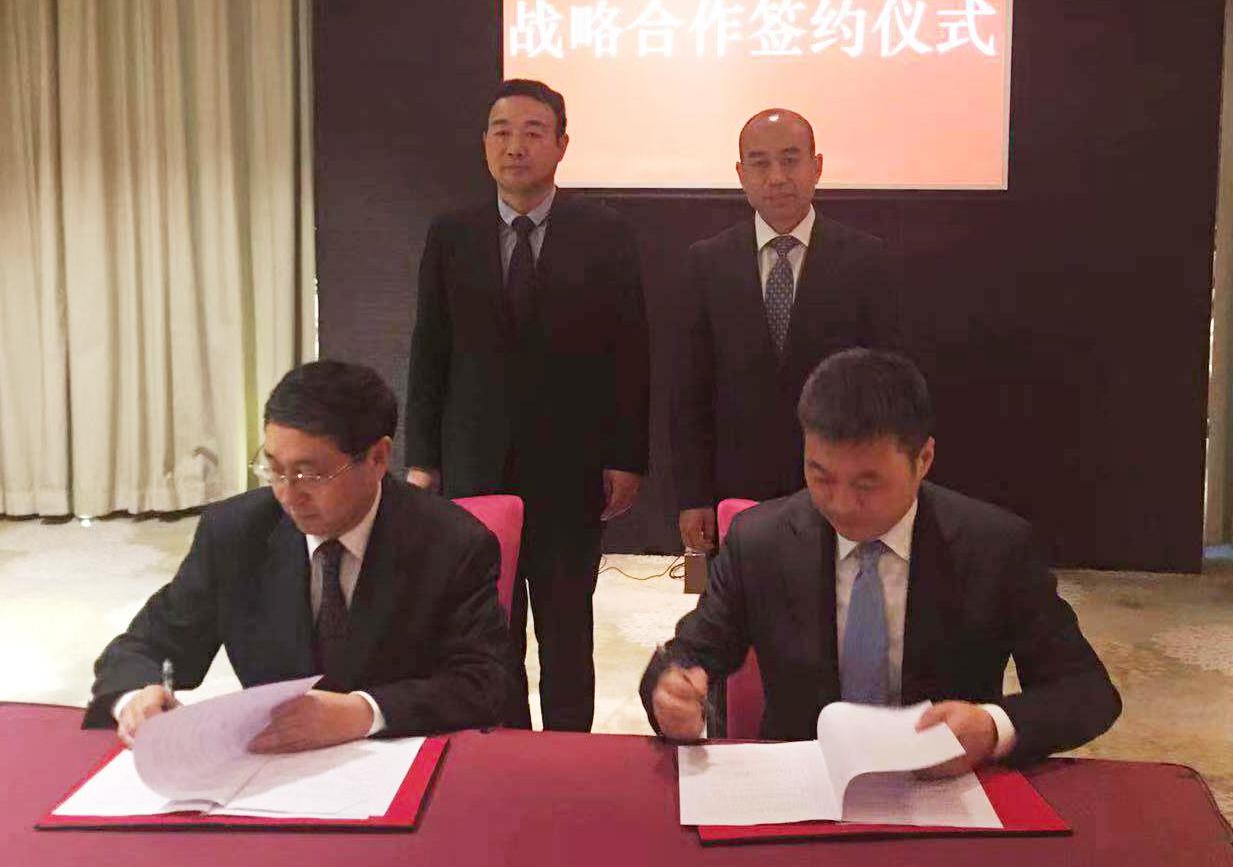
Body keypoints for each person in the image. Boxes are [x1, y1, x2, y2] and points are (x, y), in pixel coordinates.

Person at [643, 349, 1121, 773]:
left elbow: (1087, 691)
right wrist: (671, 692)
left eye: (867, 484)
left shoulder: (995, 547)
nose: (841, 505)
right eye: (821, 476)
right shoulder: (760, 542)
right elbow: (689, 655)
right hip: (802, 789)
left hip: (943, 787)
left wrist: (992, 727)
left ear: (924, 459)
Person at [84, 360, 511, 751]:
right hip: (274, 773)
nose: (288, 494)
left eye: (310, 473)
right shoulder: (236, 534)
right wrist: (136, 699)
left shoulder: (451, 542)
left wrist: (363, 712)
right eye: (274, 468)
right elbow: (142, 647)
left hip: (402, 761)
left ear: (377, 458)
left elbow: (486, 683)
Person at [405, 78, 649, 732]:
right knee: (490, 626)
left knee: (567, 628)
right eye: (502, 131)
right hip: (476, 464)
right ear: (484, 142)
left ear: (562, 145)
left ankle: (569, 751)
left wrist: (627, 457)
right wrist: (422, 459)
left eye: (533, 132)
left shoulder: (604, 233)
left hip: (572, 468)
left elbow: (630, 352)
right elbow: (430, 350)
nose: (515, 146)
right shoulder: (451, 234)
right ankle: (504, 745)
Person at [673, 109, 901, 555]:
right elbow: (688, 392)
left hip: (840, 482)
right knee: (741, 597)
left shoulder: (866, 260)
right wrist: (692, 496)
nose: (776, 177)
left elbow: (886, 384)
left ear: (817, 166)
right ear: (741, 174)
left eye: (790, 160)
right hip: (734, 489)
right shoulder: (707, 262)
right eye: (760, 163)